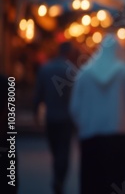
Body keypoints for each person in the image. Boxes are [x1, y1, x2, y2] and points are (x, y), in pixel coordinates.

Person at [70, 34, 125, 194]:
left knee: (92, 181)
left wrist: (83, 126)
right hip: (120, 135)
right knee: (116, 180)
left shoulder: (85, 73)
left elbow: (75, 106)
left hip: (90, 136)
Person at [33, 42, 75, 194]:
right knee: (63, 151)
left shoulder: (45, 69)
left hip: (51, 117)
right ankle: (59, 179)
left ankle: (57, 178)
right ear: (69, 53)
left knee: (55, 150)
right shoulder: (70, 70)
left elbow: (38, 95)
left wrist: (36, 114)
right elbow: (74, 98)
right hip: (66, 118)